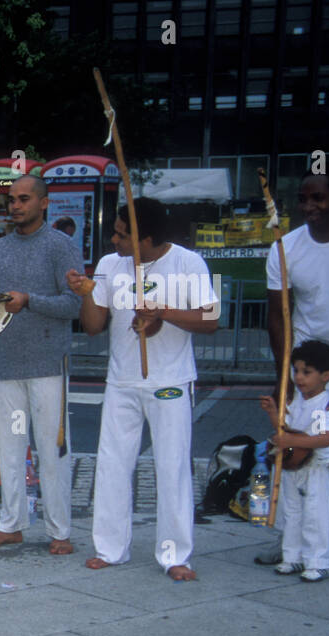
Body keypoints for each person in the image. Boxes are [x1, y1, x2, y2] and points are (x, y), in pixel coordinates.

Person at [67, 197, 217, 581]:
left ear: (146, 238)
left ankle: (174, 553)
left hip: (170, 382)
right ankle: (110, 547)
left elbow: (211, 319)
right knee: (113, 464)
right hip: (122, 380)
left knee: (172, 466)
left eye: (121, 234)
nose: (113, 240)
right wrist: (86, 291)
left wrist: (162, 312)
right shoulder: (108, 265)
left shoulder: (188, 263)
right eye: (114, 232)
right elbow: (93, 326)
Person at [256, 167, 329, 579]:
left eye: (318, 199)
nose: (309, 207)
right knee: (293, 455)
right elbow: (275, 317)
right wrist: (286, 375)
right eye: (303, 199)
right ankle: (289, 538)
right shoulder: (285, 248)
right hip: (304, 372)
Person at [0, 175, 83, 554]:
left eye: (23, 199)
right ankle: (11, 524)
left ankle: (60, 531)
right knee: (9, 449)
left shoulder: (62, 247)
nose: (15, 206)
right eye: (11, 200)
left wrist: (29, 300)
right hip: (7, 366)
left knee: (52, 451)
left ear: (44, 203)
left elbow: (74, 306)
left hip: (49, 366)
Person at [260, 340, 329, 582]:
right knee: (292, 512)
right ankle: (292, 557)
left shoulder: (326, 404)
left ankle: (319, 561)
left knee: (316, 515)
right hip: (292, 465)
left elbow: (323, 439)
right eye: (296, 371)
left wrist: (285, 440)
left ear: (326, 375)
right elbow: (287, 429)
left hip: (317, 468)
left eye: (307, 372)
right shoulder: (296, 400)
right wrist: (273, 413)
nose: (299, 377)